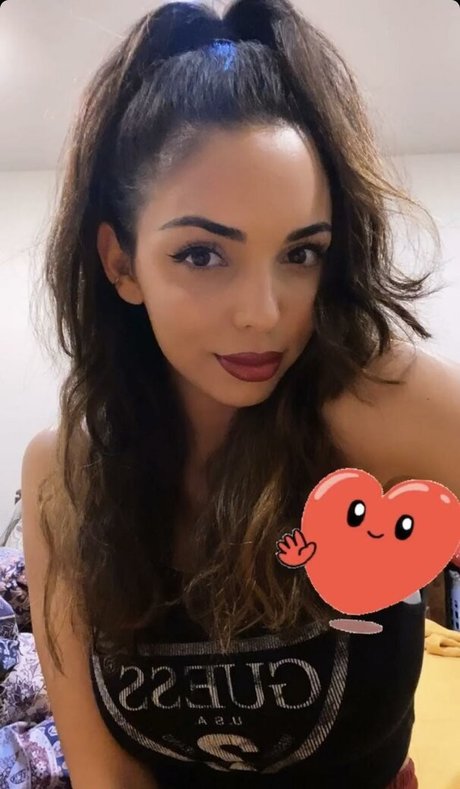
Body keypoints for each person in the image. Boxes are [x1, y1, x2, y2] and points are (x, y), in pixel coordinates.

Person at [20, 0, 460, 787]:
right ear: (120, 263)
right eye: (202, 254)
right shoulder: (67, 470)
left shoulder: (380, 405)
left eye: (300, 253)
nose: (264, 313)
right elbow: (106, 774)